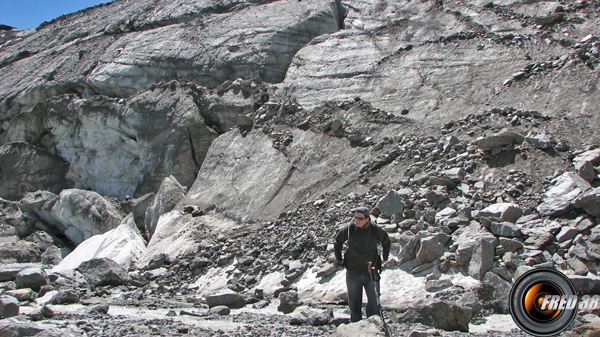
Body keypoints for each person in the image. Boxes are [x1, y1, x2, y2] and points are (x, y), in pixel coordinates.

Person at [334, 206, 391, 322]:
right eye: (355, 217)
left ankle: (375, 328)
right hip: (353, 273)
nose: (357, 220)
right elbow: (337, 240)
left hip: (371, 272)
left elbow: (386, 241)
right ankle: (356, 329)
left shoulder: (374, 230)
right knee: (354, 307)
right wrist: (339, 259)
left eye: (360, 218)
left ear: (367, 219)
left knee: (374, 306)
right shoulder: (349, 229)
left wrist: (385, 257)